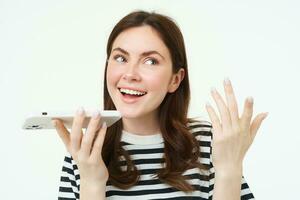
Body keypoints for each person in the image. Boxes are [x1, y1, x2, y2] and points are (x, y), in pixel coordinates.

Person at [53, 10, 268, 200]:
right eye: (120, 58)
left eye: (150, 61)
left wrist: (229, 170)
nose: (130, 74)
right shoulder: (84, 151)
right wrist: (92, 185)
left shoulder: (211, 143)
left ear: (175, 79)